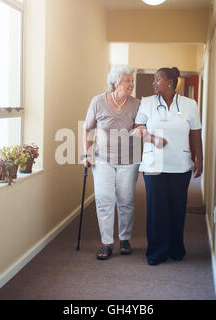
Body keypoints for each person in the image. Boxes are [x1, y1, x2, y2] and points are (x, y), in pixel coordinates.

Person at [133, 67, 203, 265]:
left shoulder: (190, 104)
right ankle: (156, 252)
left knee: (177, 209)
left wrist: (200, 159)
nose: (154, 83)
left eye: (158, 79)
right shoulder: (146, 103)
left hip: (180, 165)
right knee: (156, 209)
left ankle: (175, 248)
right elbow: (138, 129)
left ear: (170, 82)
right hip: (154, 164)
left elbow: (196, 133)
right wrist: (152, 137)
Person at [83, 65, 141, 260]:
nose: (131, 84)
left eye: (132, 81)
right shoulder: (98, 101)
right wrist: (87, 154)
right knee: (103, 199)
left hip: (129, 160)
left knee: (126, 200)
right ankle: (107, 242)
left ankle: (124, 238)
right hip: (103, 160)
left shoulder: (136, 104)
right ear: (116, 82)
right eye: (128, 80)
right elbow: (88, 129)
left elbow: (141, 128)